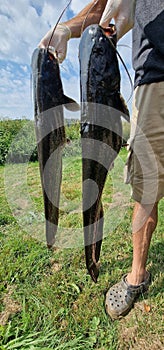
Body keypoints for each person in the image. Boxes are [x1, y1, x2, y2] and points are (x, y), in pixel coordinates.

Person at [39, 0, 164, 319]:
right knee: (146, 190)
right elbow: (106, 9)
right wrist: (66, 29)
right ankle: (137, 274)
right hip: (156, 79)